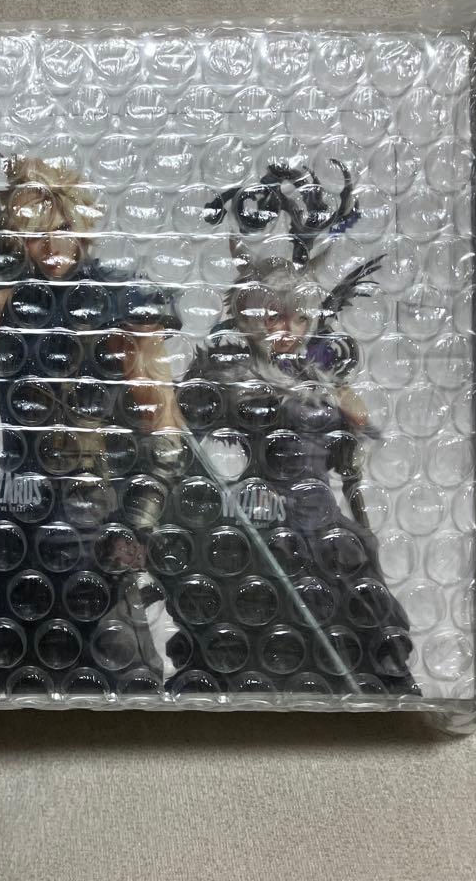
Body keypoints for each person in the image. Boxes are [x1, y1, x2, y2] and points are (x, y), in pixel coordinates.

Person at [0, 147, 184, 695]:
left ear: (79, 226)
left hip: (93, 512)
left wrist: (137, 525)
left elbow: (164, 428)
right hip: (20, 511)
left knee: (114, 674)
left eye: (60, 230)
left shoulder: (121, 299)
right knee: (12, 673)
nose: (50, 248)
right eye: (33, 235)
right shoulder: (9, 294)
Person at [164, 161, 420, 696]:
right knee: (258, 626)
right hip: (262, 518)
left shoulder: (315, 369)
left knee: (360, 616)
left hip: (323, 521)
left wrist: (347, 413)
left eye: (299, 318)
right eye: (275, 317)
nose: (288, 329)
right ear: (250, 317)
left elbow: (363, 432)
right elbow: (182, 429)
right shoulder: (232, 369)